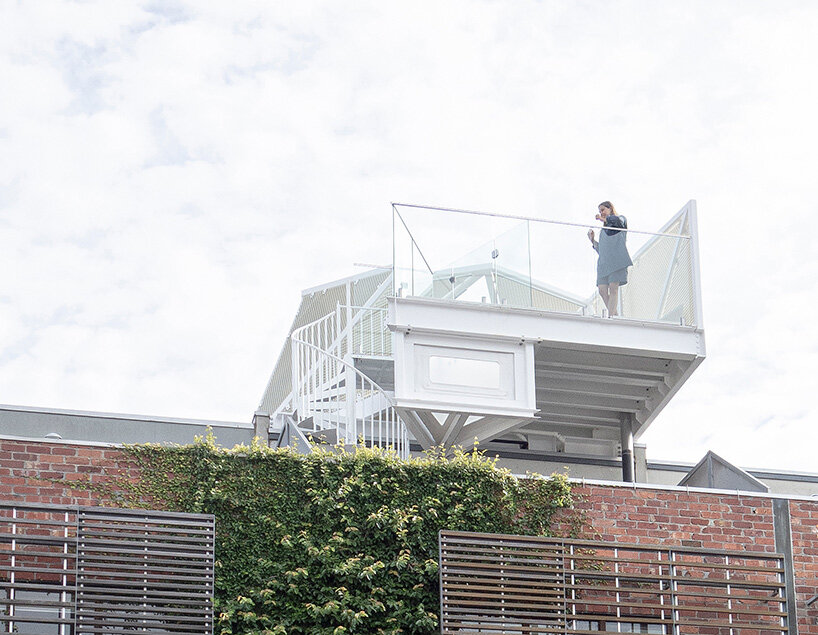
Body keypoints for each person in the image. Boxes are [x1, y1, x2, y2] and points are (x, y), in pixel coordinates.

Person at [587, 201, 632, 317]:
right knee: (602, 290)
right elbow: (602, 250)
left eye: (603, 210)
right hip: (604, 264)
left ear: (610, 208)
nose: (601, 213)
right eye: (600, 211)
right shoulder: (603, 231)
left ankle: (611, 316)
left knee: (613, 287)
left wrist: (604, 219)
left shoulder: (620, 220)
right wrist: (592, 240)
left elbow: (618, 222)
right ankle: (615, 314)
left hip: (616, 260)